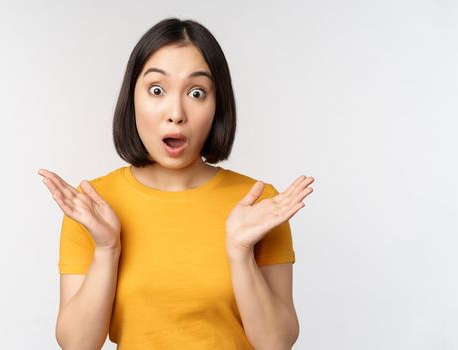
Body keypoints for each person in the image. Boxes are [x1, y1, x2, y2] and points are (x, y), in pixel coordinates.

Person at [37, 17, 314, 349]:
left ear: (217, 106)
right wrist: (106, 249)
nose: (176, 113)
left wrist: (240, 253)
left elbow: (277, 343)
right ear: (132, 97)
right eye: (157, 90)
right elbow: (77, 345)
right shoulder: (94, 205)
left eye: (197, 93)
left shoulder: (259, 203)